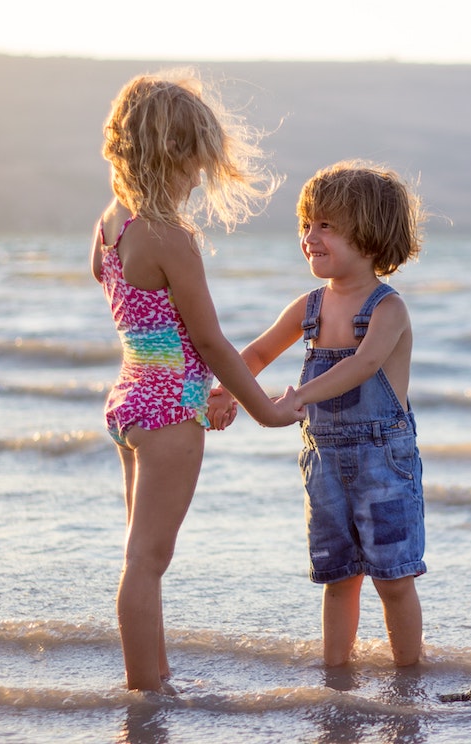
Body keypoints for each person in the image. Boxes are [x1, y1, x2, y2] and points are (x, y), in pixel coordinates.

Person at [90, 70, 303, 693]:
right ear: (173, 158)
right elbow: (209, 340)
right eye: (195, 167)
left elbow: (104, 279)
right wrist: (263, 408)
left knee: (143, 558)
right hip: (167, 418)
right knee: (147, 562)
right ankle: (145, 694)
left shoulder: (113, 222)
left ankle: (154, 677)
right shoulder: (171, 238)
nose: (198, 182)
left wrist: (171, 366)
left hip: (130, 402)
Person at [209, 160, 427, 668]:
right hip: (325, 464)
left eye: (326, 225)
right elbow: (258, 355)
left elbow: (363, 364)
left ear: (370, 236)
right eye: (306, 224)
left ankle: (409, 675)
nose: (310, 236)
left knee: (393, 579)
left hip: (383, 464)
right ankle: (336, 675)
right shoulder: (308, 306)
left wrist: (297, 399)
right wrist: (227, 391)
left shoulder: (387, 309)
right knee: (337, 577)